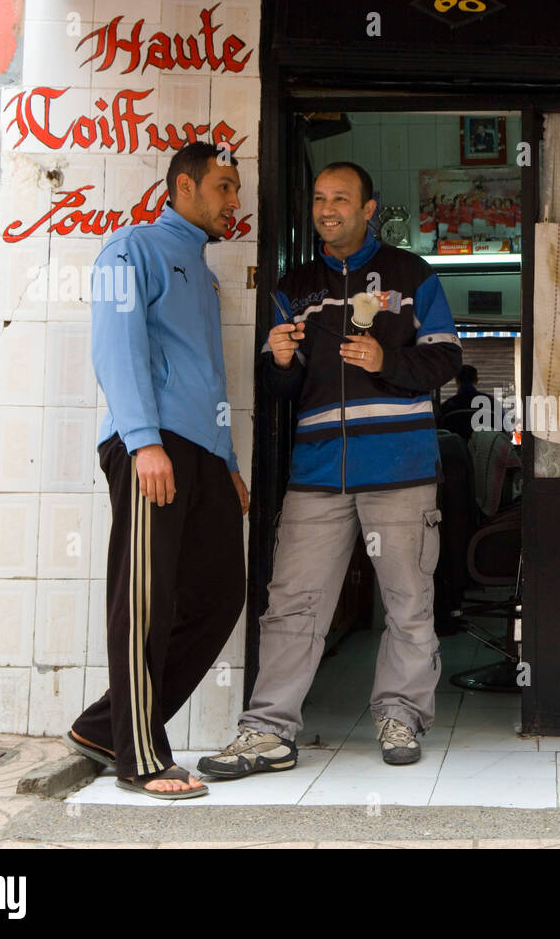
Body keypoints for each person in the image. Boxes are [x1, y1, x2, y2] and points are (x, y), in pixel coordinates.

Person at [199, 161, 461, 775]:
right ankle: (267, 730)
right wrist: (282, 360)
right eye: (319, 198)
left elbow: (447, 357)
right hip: (318, 472)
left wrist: (384, 358)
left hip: (398, 468)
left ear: (370, 208)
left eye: (341, 199)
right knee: (292, 602)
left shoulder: (412, 277)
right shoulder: (296, 287)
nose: (328, 209)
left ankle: (400, 716)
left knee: (408, 600)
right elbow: (277, 386)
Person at [64, 141, 249, 799]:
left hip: (201, 452)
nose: (236, 202)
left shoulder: (204, 273)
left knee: (222, 591)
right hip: (152, 444)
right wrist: (143, 441)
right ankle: (139, 756)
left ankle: (102, 724)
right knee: (145, 596)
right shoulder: (130, 247)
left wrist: (227, 460)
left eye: (237, 188)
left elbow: (212, 374)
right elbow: (116, 344)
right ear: (184, 187)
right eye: (224, 187)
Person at [437, 365, 487, 440]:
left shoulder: (446, 407)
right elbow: (504, 434)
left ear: (456, 381)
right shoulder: (492, 404)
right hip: (486, 450)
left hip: (455, 451)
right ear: (476, 381)